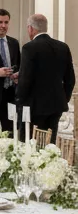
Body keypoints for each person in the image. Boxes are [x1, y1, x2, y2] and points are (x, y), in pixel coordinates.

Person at [16, 13, 75, 143]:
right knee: (50, 144)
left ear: (30, 28)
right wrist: (63, 99)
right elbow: (70, 79)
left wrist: (19, 100)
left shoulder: (29, 48)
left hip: (33, 107)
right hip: (56, 106)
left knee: (29, 143)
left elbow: (26, 79)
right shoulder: (62, 47)